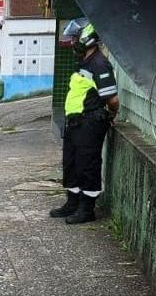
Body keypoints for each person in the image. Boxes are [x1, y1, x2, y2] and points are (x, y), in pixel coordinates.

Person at [49, 18, 119, 224]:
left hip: (90, 123)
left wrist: (112, 114)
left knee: (87, 164)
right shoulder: (84, 62)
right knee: (71, 163)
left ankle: (87, 209)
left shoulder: (100, 64)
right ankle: (72, 202)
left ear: (87, 38)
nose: (72, 42)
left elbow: (112, 98)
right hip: (76, 122)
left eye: (75, 38)